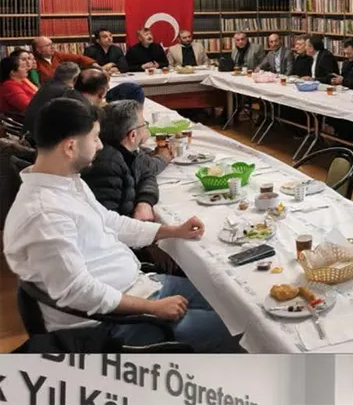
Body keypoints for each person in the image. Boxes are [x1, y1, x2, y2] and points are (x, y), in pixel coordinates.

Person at [3, 97, 239, 352]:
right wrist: (152, 308)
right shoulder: (43, 214)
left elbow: (110, 222)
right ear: (70, 147)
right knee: (238, 329)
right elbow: (79, 291)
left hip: (139, 286)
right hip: (112, 322)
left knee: (229, 303)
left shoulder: (67, 181)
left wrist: (171, 231)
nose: (100, 145)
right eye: (95, 138)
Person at [81, 100, 158, 222]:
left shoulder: (129, 152)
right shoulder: (107, 164)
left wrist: (145, 201)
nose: (146, 127)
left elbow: (147, 174)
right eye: (144, 124)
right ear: (133, 135)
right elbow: (107, 223)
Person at [105, 82, 171, 177]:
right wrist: (163, 157)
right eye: (144, 124)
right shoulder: (120, 153)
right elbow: (148, 169)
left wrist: (151, 153)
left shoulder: (109, 123)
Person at [23, 62, 84, 141]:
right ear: (76, 79)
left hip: (29, 134)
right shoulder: (66, 92)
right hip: (41, 140)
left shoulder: (47, 85)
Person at [32, 36, 97, 84]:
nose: (52, 47)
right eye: (48, 45)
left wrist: (94, 64)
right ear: (38, 49)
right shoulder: (33, 61)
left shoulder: (56, 55)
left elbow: (79, 58)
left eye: (52, 44)